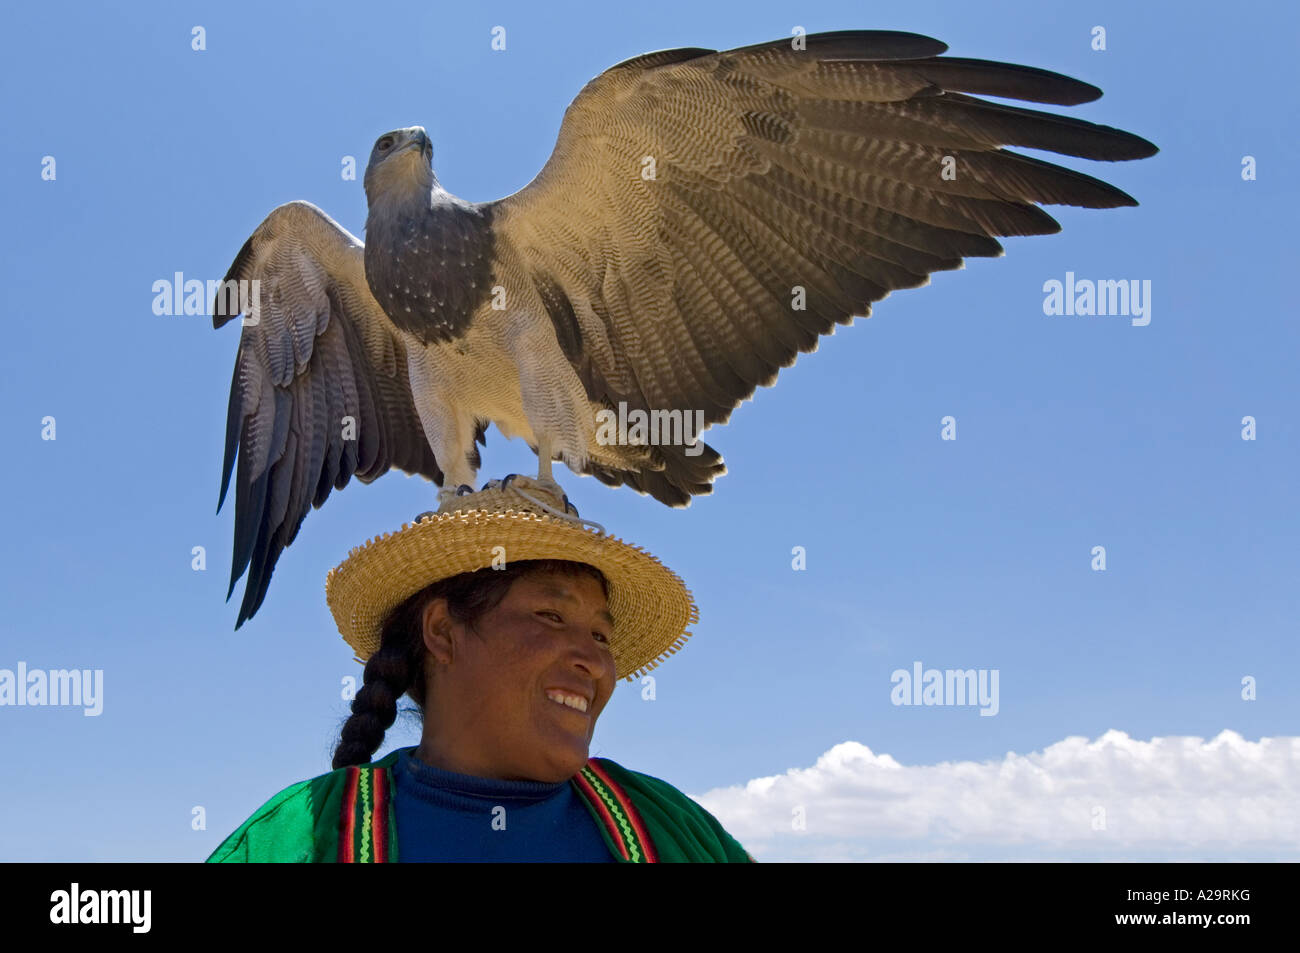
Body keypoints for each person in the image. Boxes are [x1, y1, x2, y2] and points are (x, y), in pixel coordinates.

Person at [206, 475, 755, 862]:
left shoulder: (666, 827)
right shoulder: (297, 840)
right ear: (443, 632)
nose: (593, 660)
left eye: (600, 634)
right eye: (551, 615)